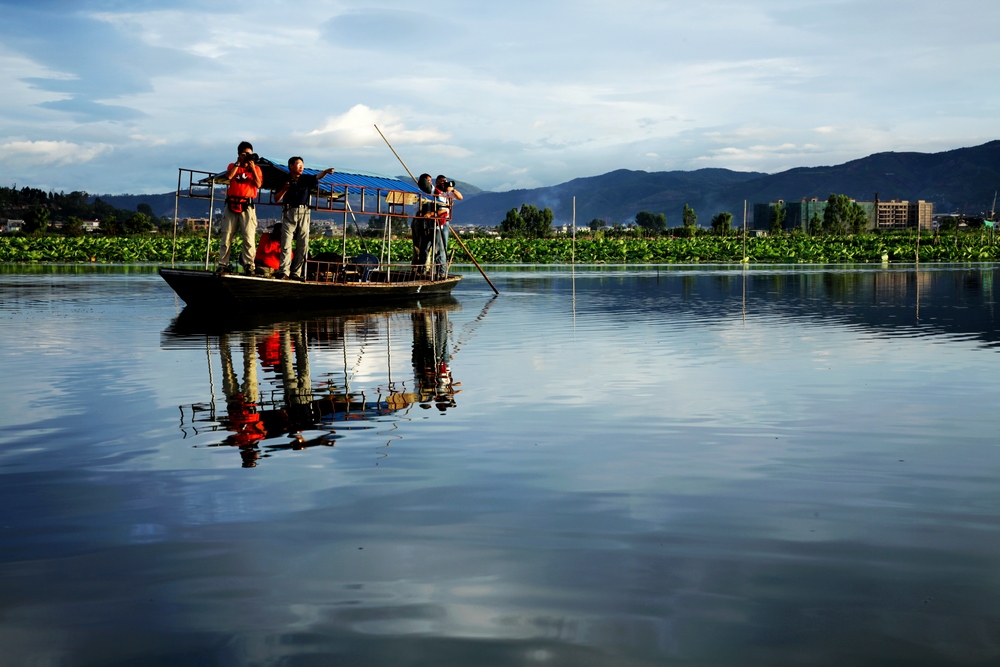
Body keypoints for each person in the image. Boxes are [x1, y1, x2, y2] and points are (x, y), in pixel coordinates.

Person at [274, 157, 334, 281]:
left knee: (303, 243)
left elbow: (317, 177)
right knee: (286, 243)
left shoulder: (305, 179)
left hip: (304, 212)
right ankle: (284, 271)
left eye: (302, 165)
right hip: (289, 211)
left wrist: (326, 172)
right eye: (298, 165)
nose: (301, 167)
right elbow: (277, 198)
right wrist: (285, 188)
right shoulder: (284, 179)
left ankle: (296, 272)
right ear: (291, 166)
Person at [218, 141, 263, 275]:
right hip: (231, 204)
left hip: (247, 205)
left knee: (249, 237)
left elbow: (258, 184)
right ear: (239, 154)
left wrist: (252, 167)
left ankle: (249, 265)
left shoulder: (257, 169)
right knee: (227, 236)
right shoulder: (233, 166)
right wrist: (239, 163)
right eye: (245, 154)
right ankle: (223, 264)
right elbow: (229, 176)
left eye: (250, 154)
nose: (248, 156)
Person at [430, 174, 463, 278]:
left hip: (445, 221)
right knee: (438, 247)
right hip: (436, 221)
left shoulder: (448, 192)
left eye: (444, 182)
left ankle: (442, 271)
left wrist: (452, 190)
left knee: (443, 247)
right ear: (437, 183)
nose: (443, 184)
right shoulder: (435, 192)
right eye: (441, 182)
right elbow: (439, 209)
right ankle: (439, 271)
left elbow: (460, 197)